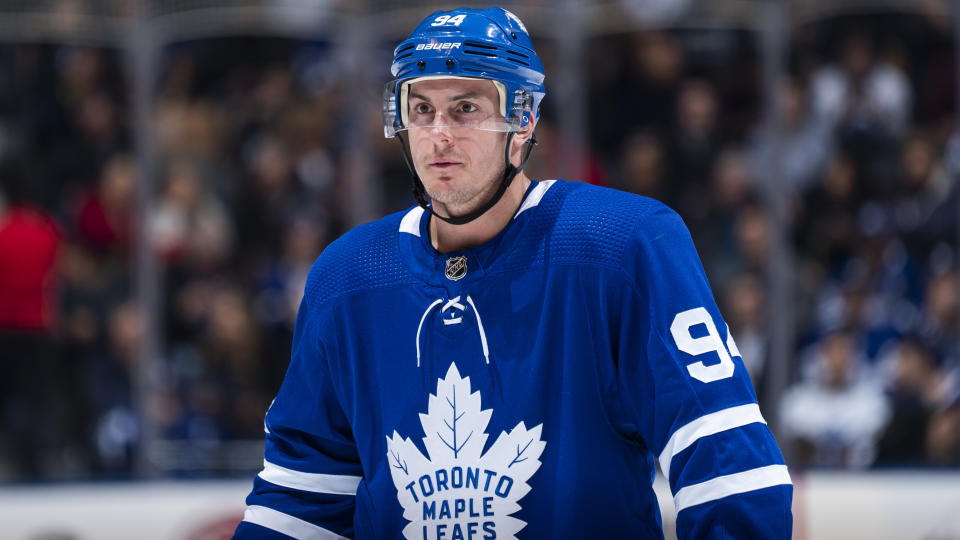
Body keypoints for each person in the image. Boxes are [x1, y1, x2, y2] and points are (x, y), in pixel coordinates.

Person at [234, 7, 792, 539]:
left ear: (523, 120)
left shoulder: (622, 246)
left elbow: (731, 471)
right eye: (421, 109)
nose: (439, 134)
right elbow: (299, 503)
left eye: (466, 108)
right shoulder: (348, 278)